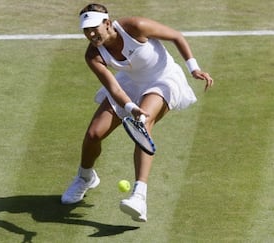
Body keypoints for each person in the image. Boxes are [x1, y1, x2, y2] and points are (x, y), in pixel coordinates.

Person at [61, 3, 214, 222]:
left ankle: (139, 197)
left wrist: (194, 68)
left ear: (107, 22)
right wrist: (131, 107)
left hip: (163, 80)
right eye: (86, 30)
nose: (91, 34)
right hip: (129, 84)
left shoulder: (135, 26)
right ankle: (85, 177)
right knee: (94, 134)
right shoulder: (93, 55)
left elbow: (176, 36)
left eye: (94, 27)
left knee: (144, 125)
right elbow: (114, 88)